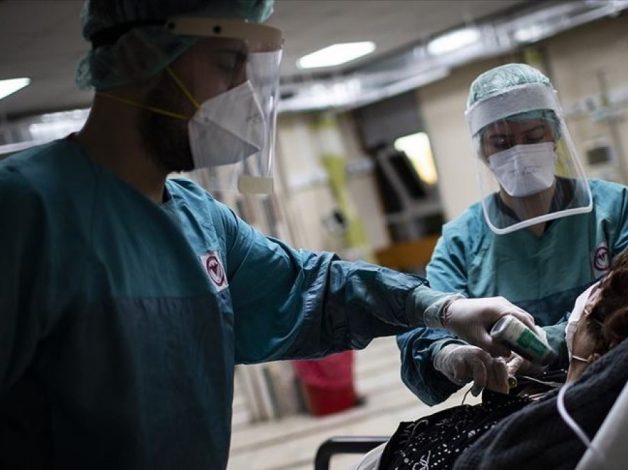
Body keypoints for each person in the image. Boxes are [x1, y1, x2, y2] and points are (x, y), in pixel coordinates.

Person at [0, 1, 534, 468]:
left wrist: (442, 308)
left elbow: (313, 289)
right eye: (227, 63)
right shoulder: (25, 212)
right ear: (144, 52)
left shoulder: (199, 220)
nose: (244, 96)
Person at [396, 63, 628, 406]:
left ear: (555, 135)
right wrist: (447, 353)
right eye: (501, 142)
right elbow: (427, 318)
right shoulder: (462, 240)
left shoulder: (612, 208)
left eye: (532, 137)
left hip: (620, 386)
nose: (518, 153)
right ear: (482, 151)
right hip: (517, 403)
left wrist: (551, 340)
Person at [369, 241, 628, 470]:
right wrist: (444, 349)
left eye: (591, 307)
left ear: (602, 354)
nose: (583, 307)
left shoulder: (541, 440)